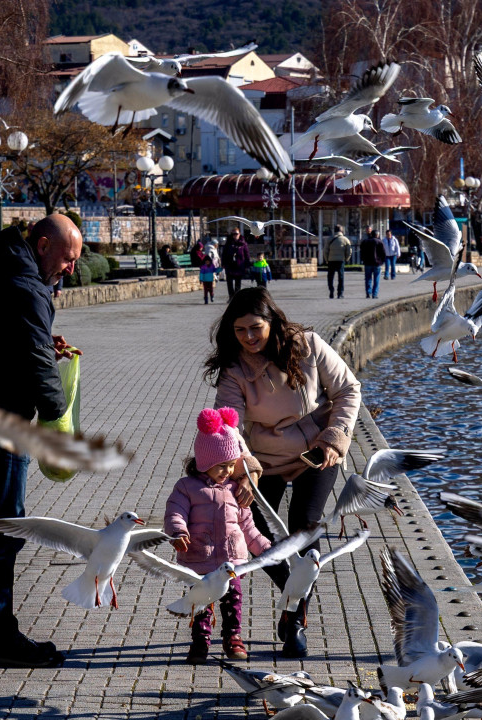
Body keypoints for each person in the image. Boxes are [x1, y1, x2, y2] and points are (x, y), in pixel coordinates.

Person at [0, 213, 82, 668]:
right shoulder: (24, 284)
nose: (70, 269)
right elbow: (33, 361)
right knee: (5, 529)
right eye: (67, 258)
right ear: (43, 245)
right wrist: (58, 418)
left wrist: (43, 338)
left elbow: (15, 337)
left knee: (1, 524)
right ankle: (1, 637)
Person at [206, 288, 361, 657]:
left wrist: (334, 438)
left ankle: (295, 622)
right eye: (240, 330)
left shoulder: (307, 345)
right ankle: (295, 596)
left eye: (255, 328)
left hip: (316, 452)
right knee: (255, 533)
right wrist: (243, 469)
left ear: (272, 321)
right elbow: (229, 427)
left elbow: (348, 390)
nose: (248, 337)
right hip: (263, 459)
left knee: (303, 525)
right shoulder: (234, 369)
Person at [164, 407, 271, 665]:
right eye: (221, 466)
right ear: (205, 463)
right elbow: (174, 513)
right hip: (199, 559)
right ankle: (200, 642)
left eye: (230, 466)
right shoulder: (187, 488)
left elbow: (247, 525)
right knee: (201, 605)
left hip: (231, 560)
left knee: (233, 600)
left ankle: (232, 637)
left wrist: (266, 548)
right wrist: (178, 532)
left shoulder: (236, 490)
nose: (227, 471)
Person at [221, 229, 250, 298]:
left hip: (239, 265)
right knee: (229, 282)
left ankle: (237, 297)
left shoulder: (243, 244)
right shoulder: (228, 243)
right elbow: (224, 254)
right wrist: (223, 263)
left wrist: (247, 265)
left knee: (238, 283)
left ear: (239, 234)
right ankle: (231, 296)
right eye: (233, 234)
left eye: (236, 234)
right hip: (229, 264)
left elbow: (247, 255)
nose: (235, 235)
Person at [324, 225, 351, 299]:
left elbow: (325, 251)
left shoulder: (329, 239)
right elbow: (349, 251)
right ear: (342, 231)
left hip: (331, 260)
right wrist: (346, 259)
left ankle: (331, 291)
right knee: (341, 277)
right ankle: (340, 293)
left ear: (334, 231)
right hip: (341, 260)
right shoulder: (345, 239)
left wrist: (327, 260)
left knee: (330, 276)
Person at [360, 227, 386, 299]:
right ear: (377, 235)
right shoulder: (379, 242)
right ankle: (375, 294)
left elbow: (361, 251)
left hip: (367, 263)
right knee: (376, 279)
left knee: (368, 278)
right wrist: (382, 261)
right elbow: (383, 253)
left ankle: (368, 293)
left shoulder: (365, 241)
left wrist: (363, 259)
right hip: (377, 263)